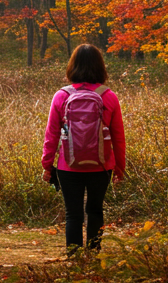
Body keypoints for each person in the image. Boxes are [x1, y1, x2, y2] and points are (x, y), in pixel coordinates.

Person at [41, 44, 125, 252]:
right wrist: (119, 167)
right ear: (100, 66)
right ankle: (93, 255)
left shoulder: (61, 96)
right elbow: (118, 137)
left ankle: (74, 257)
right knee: (95, 210)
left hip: (68, 165)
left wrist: (47, 165)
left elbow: (51, 135)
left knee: (73, 214)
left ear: (73, 66)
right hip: (102, 165)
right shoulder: (109, 96)